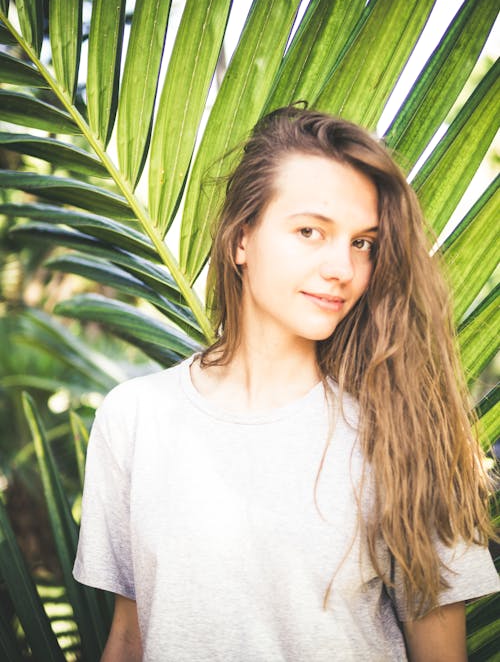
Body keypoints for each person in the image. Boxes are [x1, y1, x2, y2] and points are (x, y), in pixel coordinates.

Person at [73, 106, 499, 661]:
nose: (343, 268)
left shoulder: (401, 431)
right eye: (309, 231)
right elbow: (131, 637)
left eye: (362, 242)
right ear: (240, 240)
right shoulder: (134, 418)